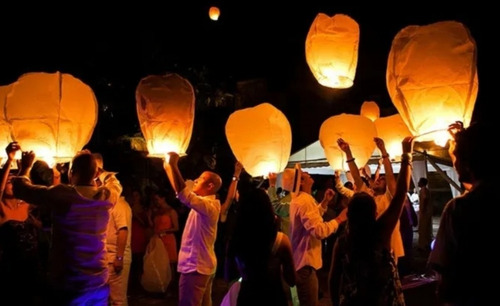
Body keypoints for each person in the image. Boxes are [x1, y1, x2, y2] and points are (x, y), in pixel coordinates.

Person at [12, 148, 117, 305]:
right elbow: (114, 182)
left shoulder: (62, 194)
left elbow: (21, 189)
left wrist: (26, 167)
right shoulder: (106, 197)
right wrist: (96, 168)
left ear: (71, 172)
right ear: (96, 175)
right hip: (98, 281)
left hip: (69, 282)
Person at [330, 136, 414, 306]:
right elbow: (402, 192)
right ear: (373, 212)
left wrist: (382, 152)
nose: (378, 179)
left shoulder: (343, 242)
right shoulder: (380, 230)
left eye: (381, 179)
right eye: (378, 178)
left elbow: (333, 279)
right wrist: (407, 155)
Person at [429, 121, 496, 305]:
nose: (454, 162)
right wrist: (459, 142)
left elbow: (444, 277)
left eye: (457, 156)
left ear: (469, 162)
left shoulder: (458, 210)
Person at [163, 152, 222, 306]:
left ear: (210, 186)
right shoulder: (203, 203)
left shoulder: (209, 206)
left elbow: (184, 195)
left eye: (200, 179)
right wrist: (168, 166)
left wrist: (174, 165)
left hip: (195, 266)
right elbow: (181, 192)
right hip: (203, 266)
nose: (195, 180)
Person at [228, 182, 296, 306]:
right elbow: (291, 280)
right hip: (274, 297)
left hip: (247, 296)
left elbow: (229, 274)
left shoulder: (237, 238)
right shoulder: (281, 241)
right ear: (268, 209)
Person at [289, 164, 347, 306]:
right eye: (303, 173)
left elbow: (310, 221)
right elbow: (318, 231)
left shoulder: (301, 200)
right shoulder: (305, 201)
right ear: (301, 182)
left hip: (300, 264)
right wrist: (339, 219)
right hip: (305, 266)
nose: (308, 173)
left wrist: (324, 202)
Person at [0, 142, 41, 305]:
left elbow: (49, 193)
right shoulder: (1, 208)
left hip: (32, 269)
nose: (11, 181)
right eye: (8, 180)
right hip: (9, 271)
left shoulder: (26, 205)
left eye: (13, 180)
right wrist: (10, 161)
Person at [93, 153, 132, 306]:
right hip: (105, 257)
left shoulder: (119, 205)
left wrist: (119, 257)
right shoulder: (104, 204)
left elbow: (123, 230)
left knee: (118, 299)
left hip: (115, 257)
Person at [417, 177, 432, 254]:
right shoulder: (427, 190)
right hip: (428, 212)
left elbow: (424, 199)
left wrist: (422, 210)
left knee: (422, 229)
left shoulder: (423, 190)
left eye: (419, 181)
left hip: (424, 213)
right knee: (427, 229)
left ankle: (422, 246)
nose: (418, 183)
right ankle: (427, 244)